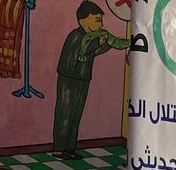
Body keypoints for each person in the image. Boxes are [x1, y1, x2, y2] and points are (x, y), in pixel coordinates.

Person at [52, 2, 130, 159]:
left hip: (83, 79)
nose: (100, 24)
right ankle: (59, 149)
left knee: (76, 116)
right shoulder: (76, 37)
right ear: (83, 20)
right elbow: (82, 51)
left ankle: (69, 148)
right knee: (66, 113)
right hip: (69, 81)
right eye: (97, 20)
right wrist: (97, 43)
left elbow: (93, 53)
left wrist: (107, 44)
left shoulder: (91, 37)